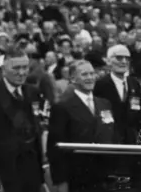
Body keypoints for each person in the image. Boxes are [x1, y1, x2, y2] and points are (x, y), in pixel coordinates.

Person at [0, 47, 44, 192]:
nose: (22, 72)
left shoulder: (33, 92)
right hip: (1, 172)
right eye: (16, 67)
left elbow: (36, 134)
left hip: (31, 172)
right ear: (4, 70)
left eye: (25, 67)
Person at [47, 60, 115, 192]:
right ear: (73, 79)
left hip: (105, 177)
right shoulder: (62, 107)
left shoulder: (104, 104)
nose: (90, 78)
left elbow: (111, 136)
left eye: (92, 73)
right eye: (84, 74)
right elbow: (55, 149)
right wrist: (61, 182)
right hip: (78, 178)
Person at [93, 45, 141, 144]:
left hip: (131, 140)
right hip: (109, 140)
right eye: (119, 58)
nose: (124, 61)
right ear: (109, 61)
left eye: (127, 58)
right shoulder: (100, 84)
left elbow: (137, 110)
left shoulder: (134, 83)